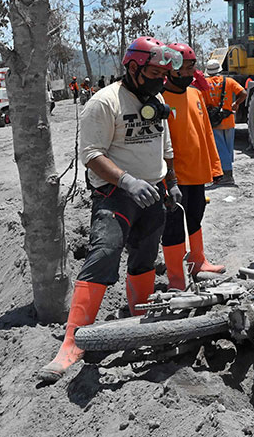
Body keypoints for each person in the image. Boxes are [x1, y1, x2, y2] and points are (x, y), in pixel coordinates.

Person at [39, 36, 183, 384]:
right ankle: (72, 343)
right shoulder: (104, 103)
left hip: (153, 192)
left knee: (145, 257)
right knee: (103, 254)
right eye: (153, 72)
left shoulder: (157, 98)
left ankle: (140, 321)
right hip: (116, 195)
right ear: (132, 68)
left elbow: (164, 144)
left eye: (164, 73)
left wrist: (172, 180)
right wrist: (127, 181)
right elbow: (91, 154)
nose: (159, 79)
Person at [161, 42, 225, 289]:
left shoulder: (196, 94)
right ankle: (176, 278)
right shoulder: (160, 100)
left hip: (198, 174)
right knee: (174, 225)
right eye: (187, 68)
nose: (191, 73)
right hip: (174, 177)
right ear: (172, 69)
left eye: (192, 67)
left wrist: (215, 167)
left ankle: (199, 261)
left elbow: (207, 133)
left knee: (196, 216)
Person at [204, 59, 247, 186]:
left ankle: (226, 175)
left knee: (219, 148)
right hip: (228, 120)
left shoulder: (205, 84)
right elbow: (243, 93)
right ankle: (227, 172)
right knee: (228, 149)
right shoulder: (228, 81)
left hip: (214, 121)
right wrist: (236, 103)